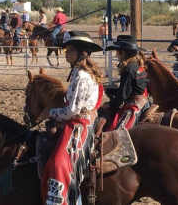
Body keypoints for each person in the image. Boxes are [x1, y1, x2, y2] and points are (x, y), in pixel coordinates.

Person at [39, 31, 104, 205]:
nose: (66, 52)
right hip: (81, 119)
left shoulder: (81, 75)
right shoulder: (81, 72)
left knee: (59, 162)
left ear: (82, 53)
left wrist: (50, 113)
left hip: (79, 124)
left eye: (70, 49)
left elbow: (72, 111)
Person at [103, 35, 150, 130]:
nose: (116, 55)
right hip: (145, 103)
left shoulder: (128, 70)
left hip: (134, 106)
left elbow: (123, 95)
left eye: (117, 52)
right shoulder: (138, 67)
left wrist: (110, 104)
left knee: (115, 131)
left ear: (123, 53)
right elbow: (134, 88)